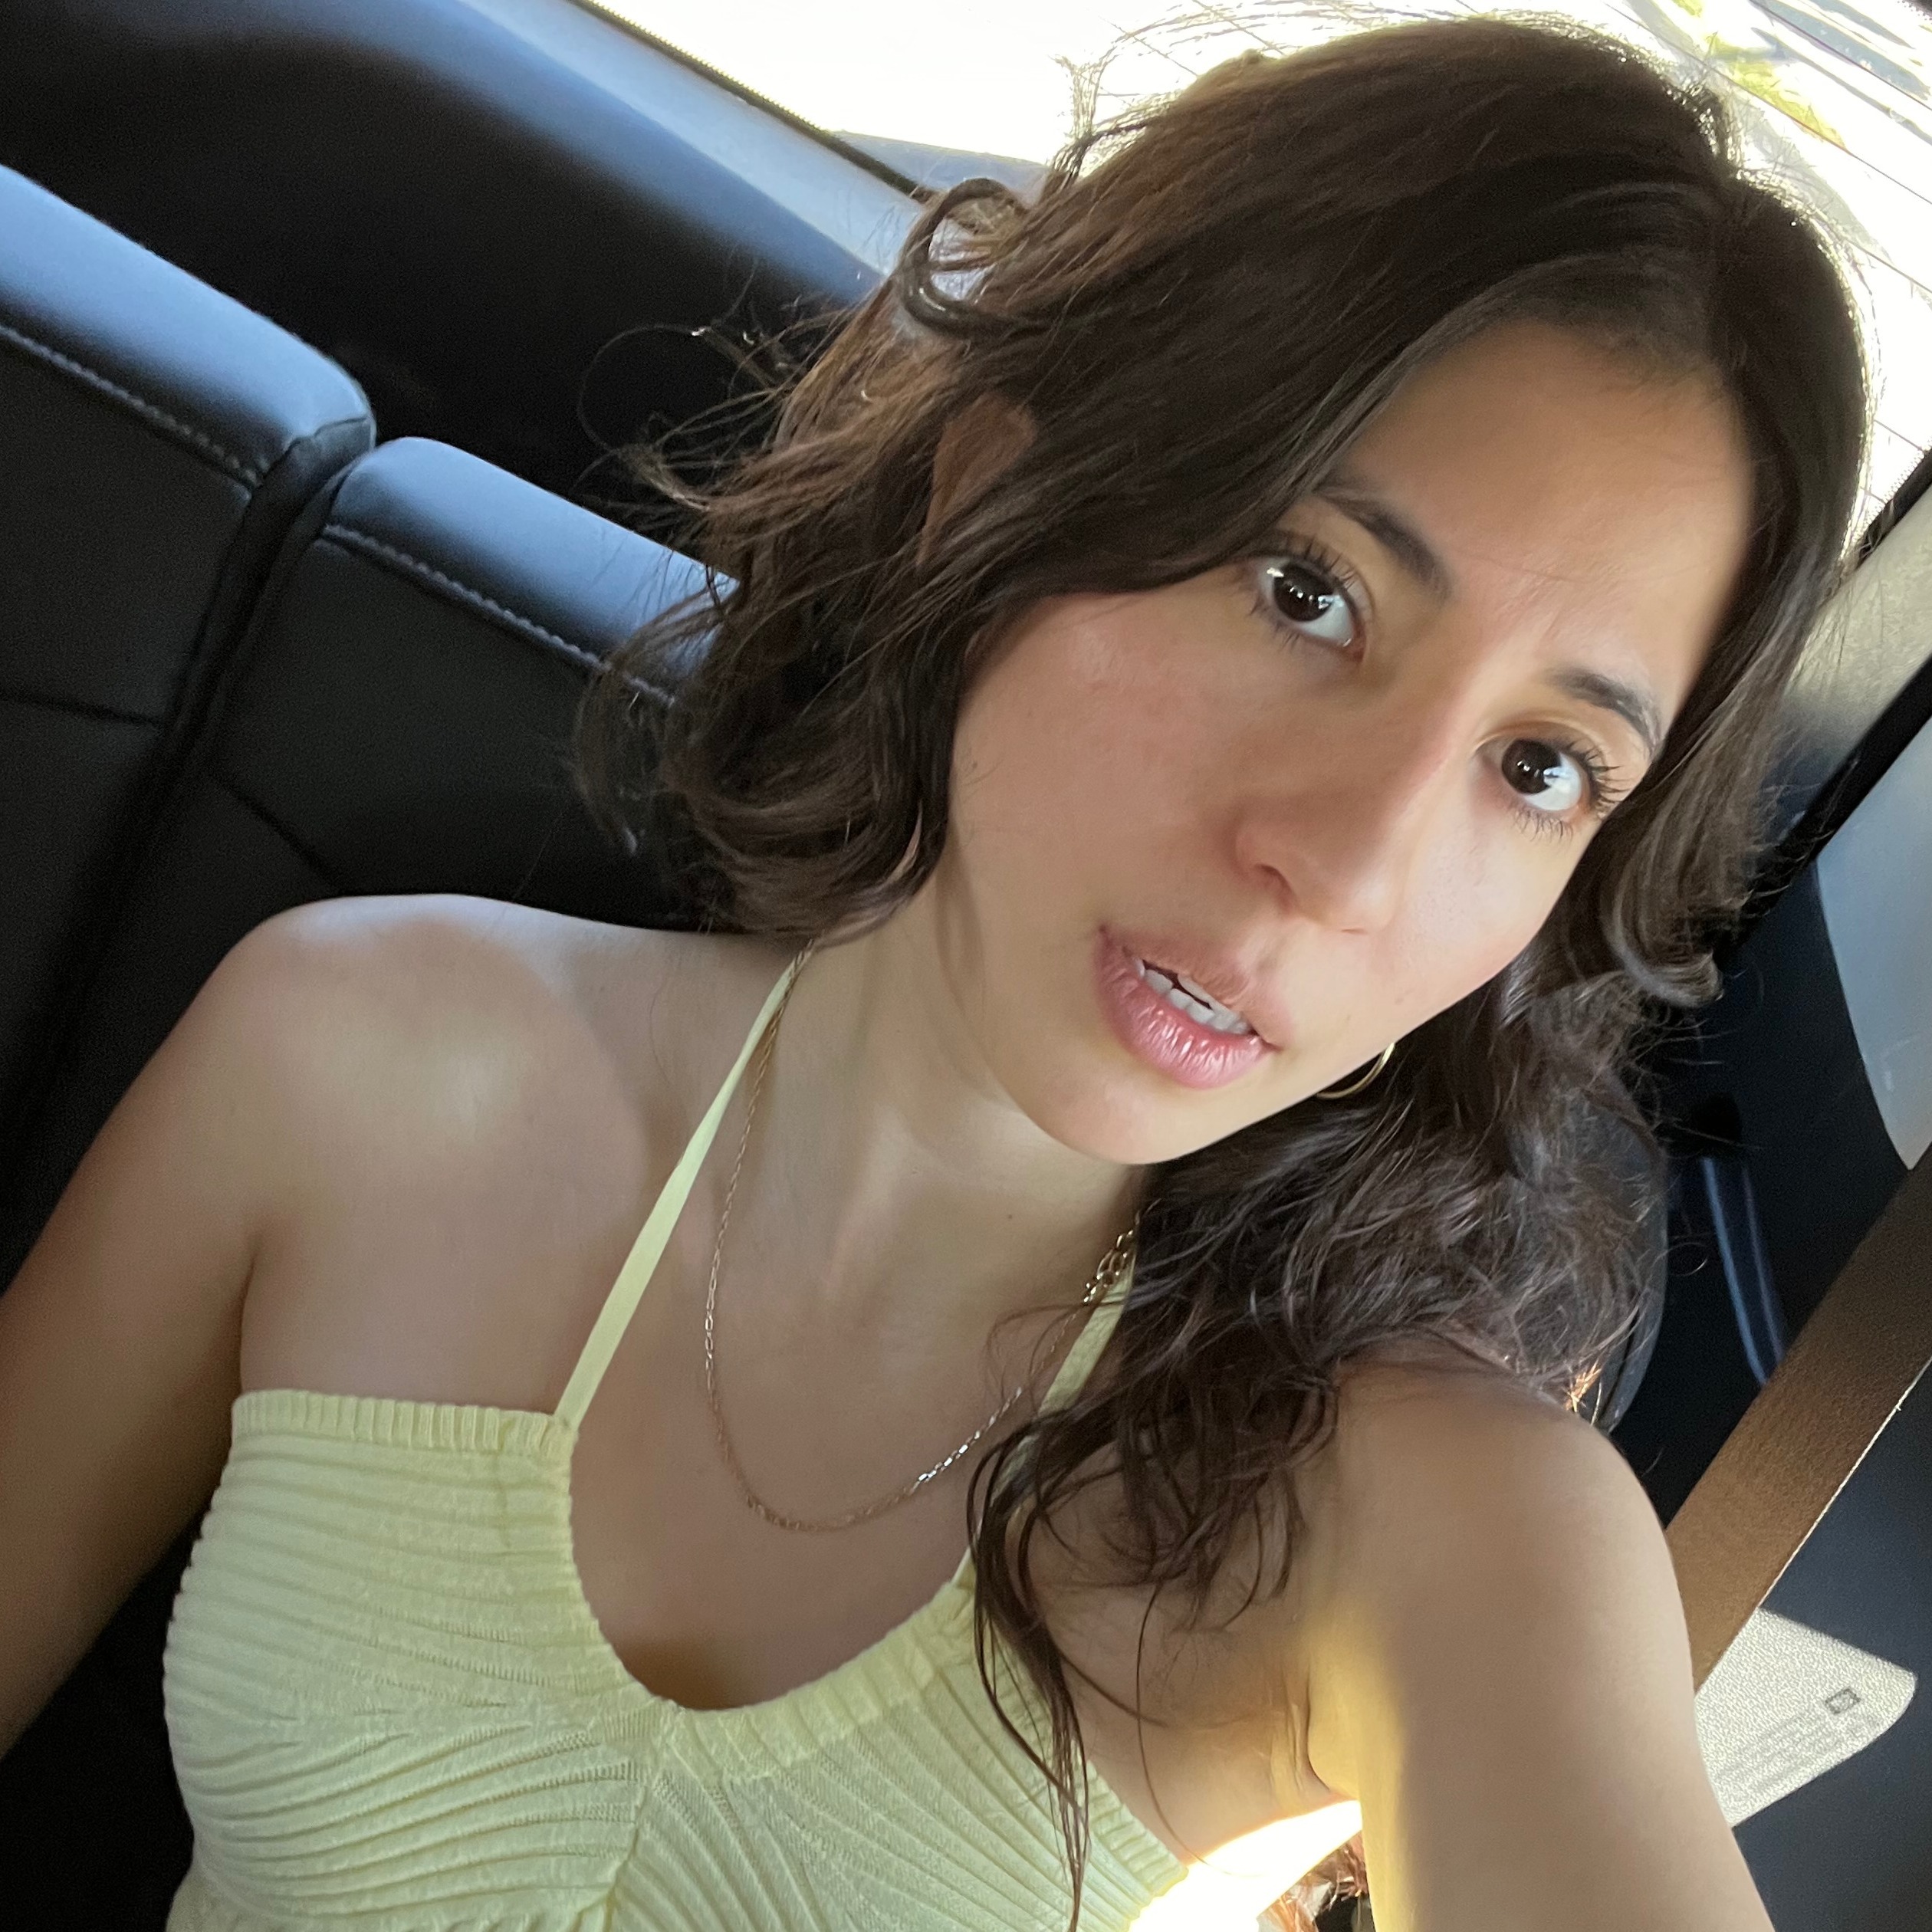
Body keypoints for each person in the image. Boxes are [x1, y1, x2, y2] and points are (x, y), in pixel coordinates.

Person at [0, 12, 1868, 1930]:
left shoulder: (1441, 1530)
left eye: (1540, 767)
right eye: (1307, 591)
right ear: (991, 490)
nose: (1349, 865)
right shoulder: (355, 1056)